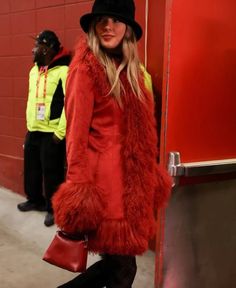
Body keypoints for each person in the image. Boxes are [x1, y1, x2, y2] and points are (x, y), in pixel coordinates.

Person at [52, 0, 172, 286]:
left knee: (118, 268)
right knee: (122, 269)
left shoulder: (130, 71)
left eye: (116, 20)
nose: (108, 26)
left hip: (128, 188)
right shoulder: (86, 68)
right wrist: (79, 192)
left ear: (128, 28)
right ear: (93, 26)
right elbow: (76, 138)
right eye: (102, 20)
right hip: (104, 190)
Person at [17, 30, 71, 227]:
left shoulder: (64, 71)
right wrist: (29, 124)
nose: (33, 50)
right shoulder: (34, 70)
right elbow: (32, 99)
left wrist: (60, 133)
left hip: (52, 132)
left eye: (38, 46)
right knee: (31, 168)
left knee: (52, 173)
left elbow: (70, 103)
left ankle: (53, 208)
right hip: (34, 129)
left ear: (47, 49)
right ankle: (35, 200)